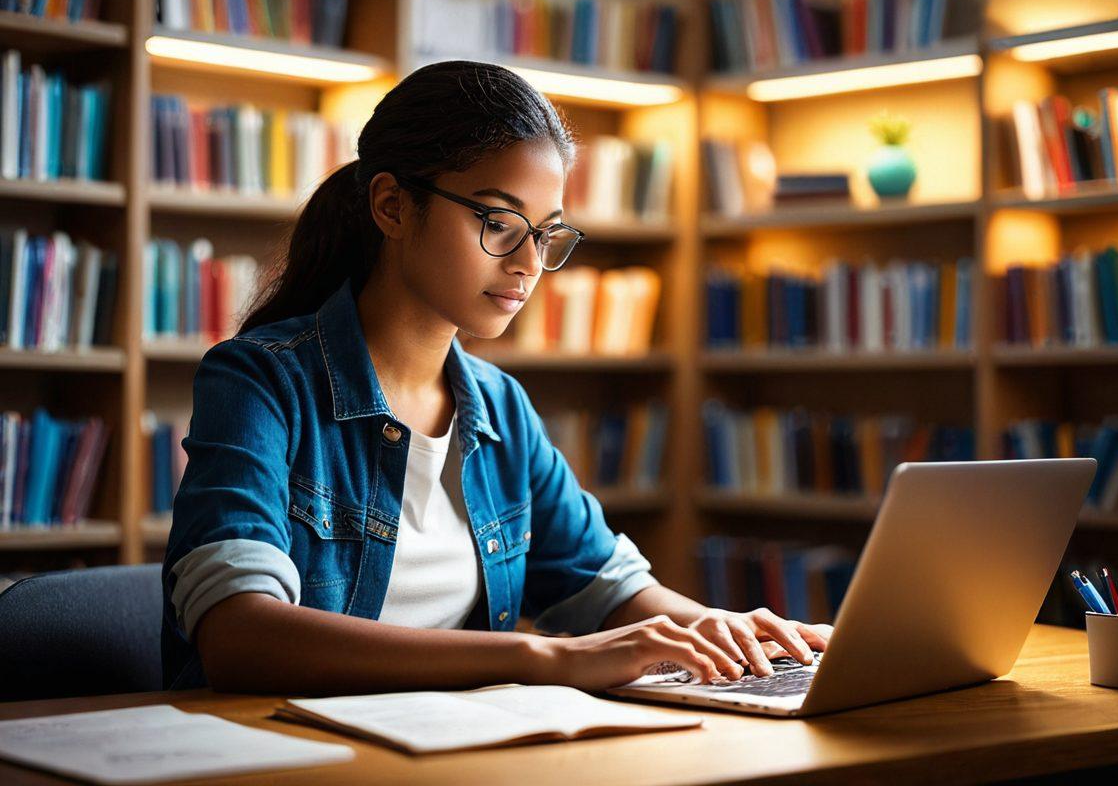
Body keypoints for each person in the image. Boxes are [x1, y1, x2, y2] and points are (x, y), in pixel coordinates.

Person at [160, 60, 832, 695]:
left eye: (546, 235)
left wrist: (728, 633)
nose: (528, 263)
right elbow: (239, 635)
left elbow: (607, 585)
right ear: (392, 206)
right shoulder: (260, 381)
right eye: (498, 223)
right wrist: (544, 656)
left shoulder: (499, 407)